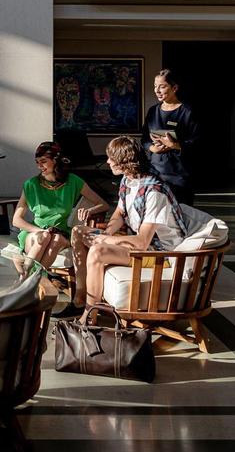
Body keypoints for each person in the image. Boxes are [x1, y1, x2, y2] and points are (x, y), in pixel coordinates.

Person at [69, 136, 188, 320]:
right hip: (142, 245)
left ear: (125, 161)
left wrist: (105, 240)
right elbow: (119, 214)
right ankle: (80, 295)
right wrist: (106, 233)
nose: (107, 161)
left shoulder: (155, 192)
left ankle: (89, 315)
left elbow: (141, 243)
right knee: (78, 232)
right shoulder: (128, 180)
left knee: (97, 252)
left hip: (160, 253)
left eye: (111, 157)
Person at [12, 141, 109, 270]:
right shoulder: (31, 184)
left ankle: (29, 280)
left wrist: (90, 210)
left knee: (56, 239)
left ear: (55, 160)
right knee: (44, 237)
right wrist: (40, 231)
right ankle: (31, 279)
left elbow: (103, 204)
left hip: (61, 232)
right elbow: (16, 220)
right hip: (35, 232)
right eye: (37, 162)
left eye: (43, 161)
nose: (39, 166)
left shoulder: (73, 181)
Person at [141, 69, 199, 205]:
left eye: (162, 86)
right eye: (155, 86)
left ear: (174, 88)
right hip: (155, 172)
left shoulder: (188, 112)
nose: (157, 90)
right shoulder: (153, 111)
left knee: (181, 214)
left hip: (179, 174)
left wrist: (174, 145)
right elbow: (144, 139)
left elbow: (197, 143)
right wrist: (152, 148)